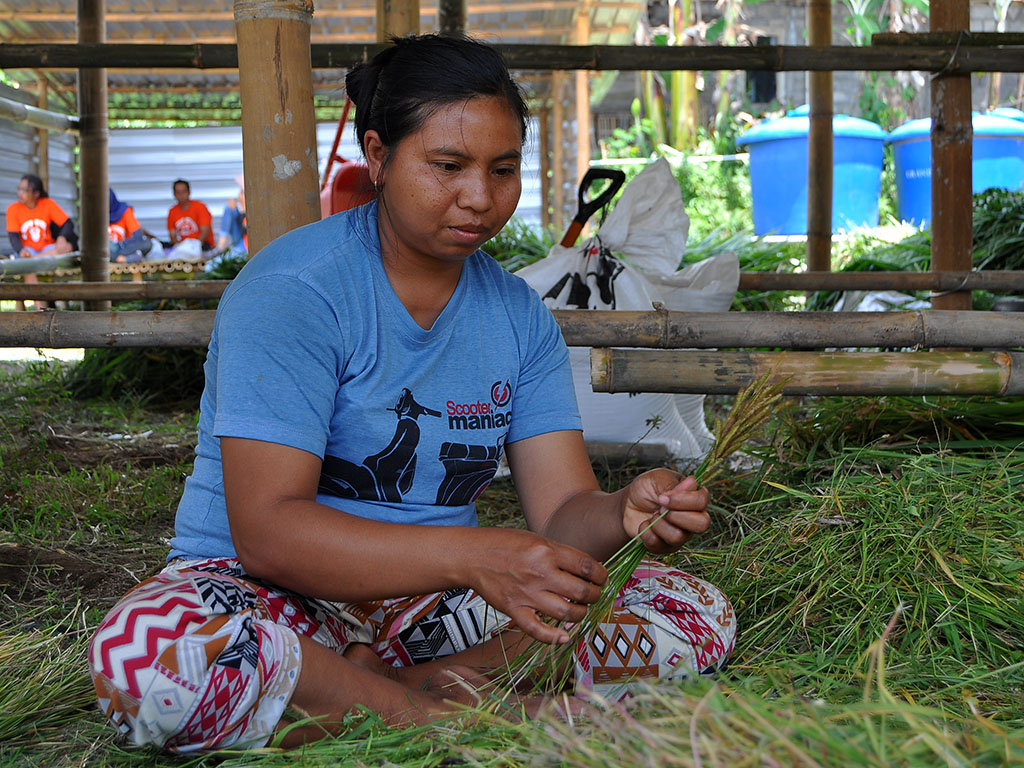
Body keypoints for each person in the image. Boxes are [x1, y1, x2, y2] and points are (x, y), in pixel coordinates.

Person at [87, 34, 735, 754]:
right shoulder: (294, 292)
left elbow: (559, 517)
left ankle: (399, 688)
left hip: (432, 614)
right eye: (448, 166)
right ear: (378, 156)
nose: (481, 198)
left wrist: (622, 511)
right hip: (269, 596)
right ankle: (453, 719)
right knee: (145, 663)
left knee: (688, 609)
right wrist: (474, 557)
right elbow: (269, 536)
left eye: (503, 169)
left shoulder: (519, 317)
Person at [6, 173, 77, 309]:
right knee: (28, 267)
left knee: (67, 247)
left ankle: (34, 259)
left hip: (46, 248)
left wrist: (61, 238)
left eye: (24, 190)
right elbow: (13, 236)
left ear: (36, 193)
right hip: (28, 250)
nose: (20, 193)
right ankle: (40, 309)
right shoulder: (13, 209)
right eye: (19, 189)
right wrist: (21, 250)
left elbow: (67, 223)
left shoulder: (47, 204)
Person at [165, 178, 213, 258]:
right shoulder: (172, 211)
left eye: (184, 192)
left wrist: (192, 246)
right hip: (183, 247)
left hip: (202, 246)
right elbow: (172, 235)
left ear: (189, 192)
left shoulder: (200, 207)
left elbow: (205, 232)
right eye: (178, 192)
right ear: (174, 194)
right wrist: (181, 246)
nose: (181, 195)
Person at [108, 188, 154, 263]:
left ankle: (119, 258)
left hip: (123, 248)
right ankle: (123, 259)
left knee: (147, 243)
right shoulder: (96, 213)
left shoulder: (124, 210)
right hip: (106, 250)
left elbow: (137, 235)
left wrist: (120, 245)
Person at [215, 174, 247, 256]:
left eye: (242, 193)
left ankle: (221, 249)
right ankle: (220, 247)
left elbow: (246, 229)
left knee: (210, 266)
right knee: (229, 209)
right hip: (241, 240)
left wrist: (244, 207)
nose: (239, 195)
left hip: (246, 245)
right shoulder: (241, 208)